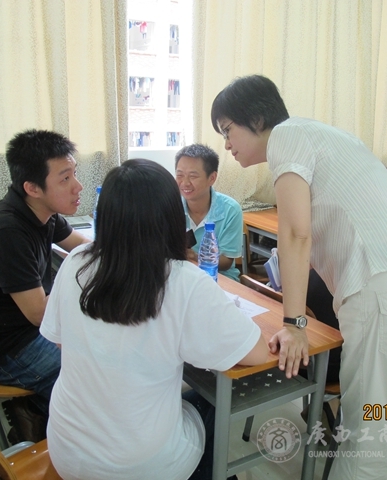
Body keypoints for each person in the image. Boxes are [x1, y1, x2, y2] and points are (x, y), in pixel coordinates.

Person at [211, 75, 387, 480]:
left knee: (364, 438)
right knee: (375, 420)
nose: (227, 144)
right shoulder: (319, 134)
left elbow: (295, 233)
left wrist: (294, 324)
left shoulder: (286, 136)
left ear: (256, 119)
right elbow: (319, 229)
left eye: (227, 130)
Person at [40, 159, 268, 480]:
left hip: (67, 450)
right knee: (214, 397)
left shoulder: (77, 261)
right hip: (140, 466)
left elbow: (62, 342)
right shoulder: (184, 280)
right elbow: (257, 352)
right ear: (171, 217)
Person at [0, 129, 89, 442]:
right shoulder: (7, 231)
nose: (77, 186)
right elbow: (38, 313)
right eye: (65, 178)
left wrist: (129, 251)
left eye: (74, 173)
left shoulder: (43, 212)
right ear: (32, 188)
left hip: (29, 331)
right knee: (90, 373)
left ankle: (38, 408)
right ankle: (36, 413)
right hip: (10, 351)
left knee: (100, 352)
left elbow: (83, 247)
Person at [175, 143, 243, 281]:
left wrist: (195, 257)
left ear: (212, 178)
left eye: (193, 176)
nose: (185, 183)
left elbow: (226, 262)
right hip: (182, 276)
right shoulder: (171, 206)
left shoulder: (230, 210)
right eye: (180, 175)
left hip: (219, 278)